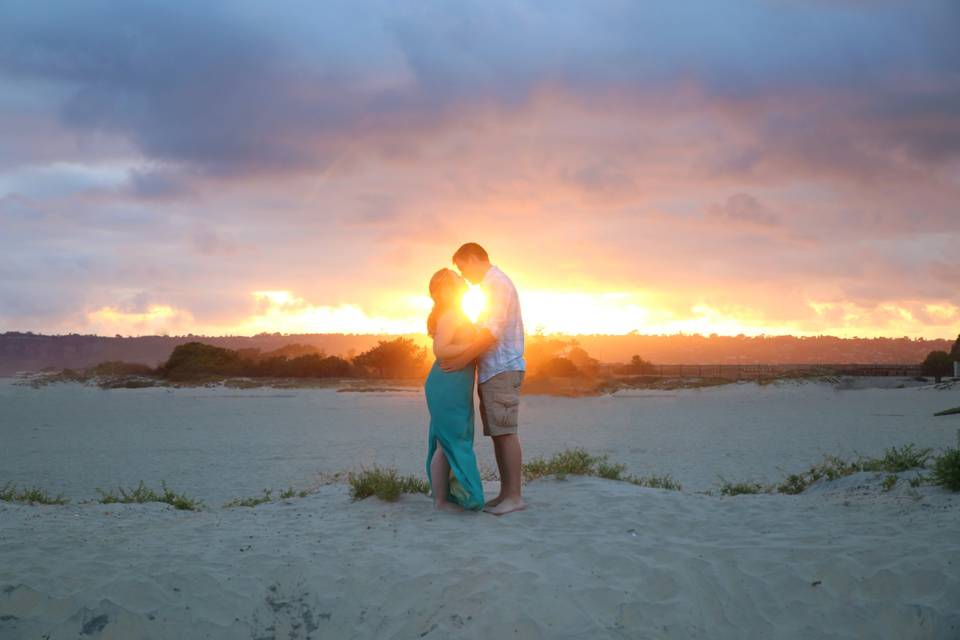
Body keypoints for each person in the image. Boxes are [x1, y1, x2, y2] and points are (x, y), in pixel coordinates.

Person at [440, 242, 526, 516]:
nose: (464, 276)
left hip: (502, 368)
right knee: (498, 434)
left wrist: (463, 358)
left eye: (463, 268)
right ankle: (506, 493)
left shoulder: (496, 284)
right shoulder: (491, 285)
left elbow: (492, 333)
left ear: (474, 258)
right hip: (494, 370)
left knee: (506, 432)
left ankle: (514, 496)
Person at [423, 268, 485, 512]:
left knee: (450, 440)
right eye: (456, 277)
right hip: (448, 383)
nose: (462, 278)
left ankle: (445, 497)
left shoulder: (455, 312)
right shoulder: (450, 314)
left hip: (454, 383)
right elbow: (440, 350)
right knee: (446, 442)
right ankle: (440, 501)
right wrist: (475, 345)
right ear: (449, 288)